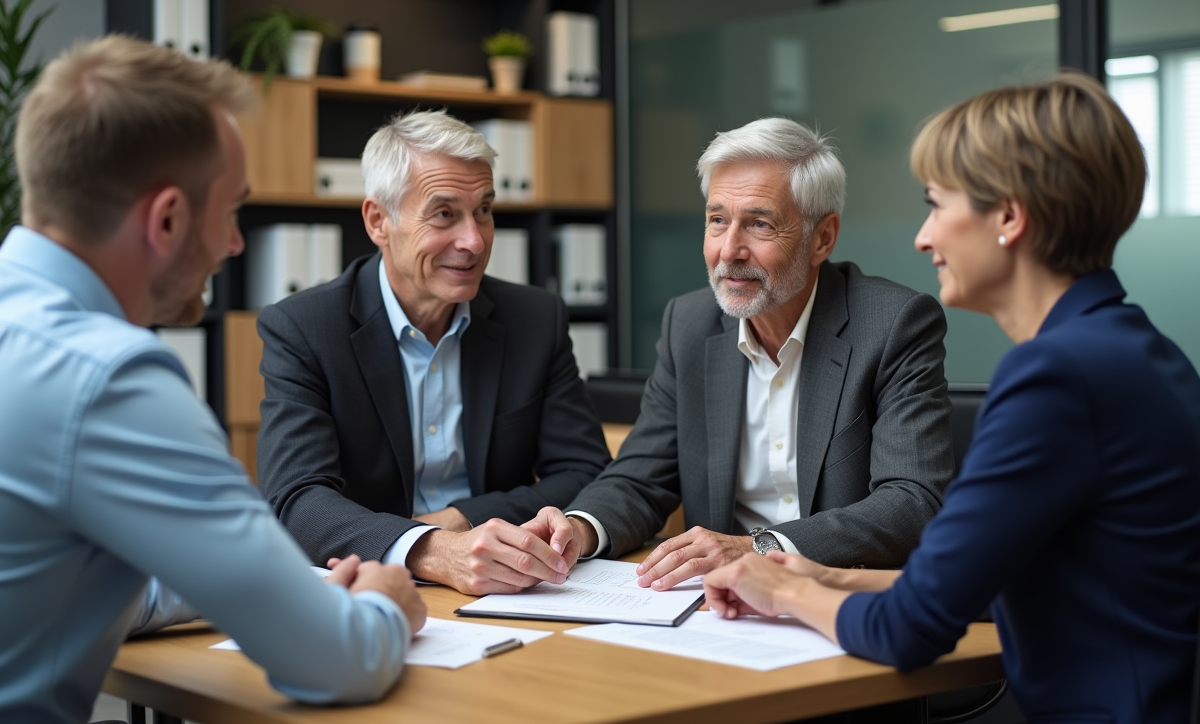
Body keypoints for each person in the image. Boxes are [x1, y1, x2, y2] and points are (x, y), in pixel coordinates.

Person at [703, 74, 1200, 723]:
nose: (923, 237)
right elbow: (983, 589)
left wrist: (781, 591)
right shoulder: (1132, 349)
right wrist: (816, 577)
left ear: (1010, 218)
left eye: (937, 205)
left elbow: (909, 628)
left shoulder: (1056, 377)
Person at [0, 36, 427, 724]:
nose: (234, 245)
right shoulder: (107, 381)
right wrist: (383, 603)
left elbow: (60, 573)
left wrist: (271, 588)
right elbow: (335, 662)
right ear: (167, 220)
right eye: (231, 212)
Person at [524, 118, 955, 589]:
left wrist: (759, 547)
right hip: (720, 607)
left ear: (823, 238)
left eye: (759, 223)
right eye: (717, 220)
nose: (729, 250)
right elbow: (639, 479)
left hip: (840, 598)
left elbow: (911, 500)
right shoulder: (688, 325)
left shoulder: (892, 324)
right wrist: (580, 529)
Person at [256, 110, 611, 596]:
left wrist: (462, 519)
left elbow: (585, 472)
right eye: (444, 214)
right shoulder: (304, 329)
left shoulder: (535, 318)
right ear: (378, 221)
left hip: (506, 583)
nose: (474, 240)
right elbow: (297, 500)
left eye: (484, 210)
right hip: (371, 585)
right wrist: (430, 547)